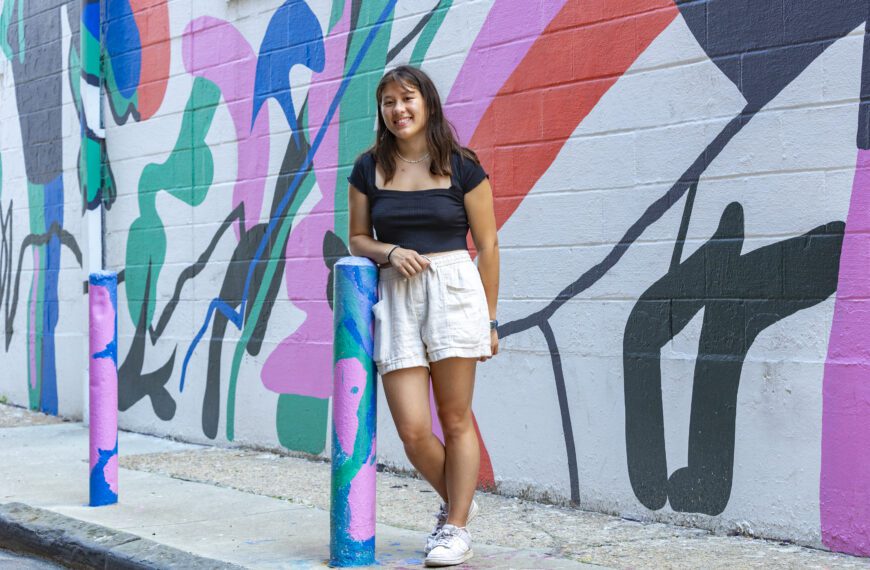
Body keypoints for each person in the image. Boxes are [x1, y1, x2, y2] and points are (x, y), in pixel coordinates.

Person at [347, 65, 499, 567]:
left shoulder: (462, 165)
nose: (398, 110)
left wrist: (491, 319)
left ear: (427, 103)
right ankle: (460, 502)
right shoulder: (368, 167)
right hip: (396, 294)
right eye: (388, 102)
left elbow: (489, 245)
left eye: (407, 99)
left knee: (455, 419)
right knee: (413, 430)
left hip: (453, 289)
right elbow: (358, 239)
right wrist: (388, 252)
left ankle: (453, 527)